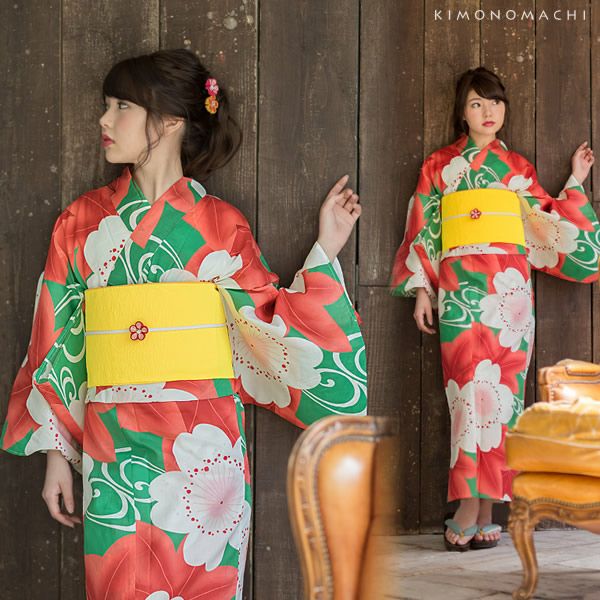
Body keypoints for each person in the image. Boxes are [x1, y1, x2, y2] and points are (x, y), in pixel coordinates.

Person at [1, 48, 366, 598]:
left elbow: (268, 323)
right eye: (107, 105)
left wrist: (326, 248)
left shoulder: (221, 225)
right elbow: (58, 341)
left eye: (121, 106)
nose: (104, 119)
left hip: (204, 448)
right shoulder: (80, 222)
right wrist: (56, 456)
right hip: (113, 449)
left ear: (171, 120)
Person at [390, 66, 600, 551]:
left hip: (509, 294)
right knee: (467, 392)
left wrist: (575, 181)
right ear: (461, 113)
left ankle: (485, 509)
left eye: (495, 102)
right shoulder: (439, 165)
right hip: (459, 289)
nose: (488, 112)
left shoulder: (517, 168)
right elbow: (423, 228)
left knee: (502, 398)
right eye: (477, 103)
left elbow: (546, 223)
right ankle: (471, 504)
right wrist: (422, 289)